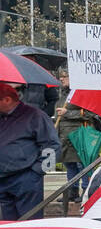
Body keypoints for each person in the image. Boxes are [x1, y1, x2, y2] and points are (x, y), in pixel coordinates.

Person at [0, 82, 58, 220]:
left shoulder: (35, 116)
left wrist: (38, 171)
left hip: (26, 178)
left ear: (7, 100)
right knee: (7, 228)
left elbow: (53, 146)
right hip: (3, 179)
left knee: (29, 224)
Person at [55, 86, 101, 207]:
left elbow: (90, 113)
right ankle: (72, 191)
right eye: (61, 76)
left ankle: (86, 190)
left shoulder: (83, 93)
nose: (61, 79)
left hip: (79, 135)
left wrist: (68, 113)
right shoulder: (64, 94)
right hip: (65, 137)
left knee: (83, 164)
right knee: (69, 164)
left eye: (65, 76)